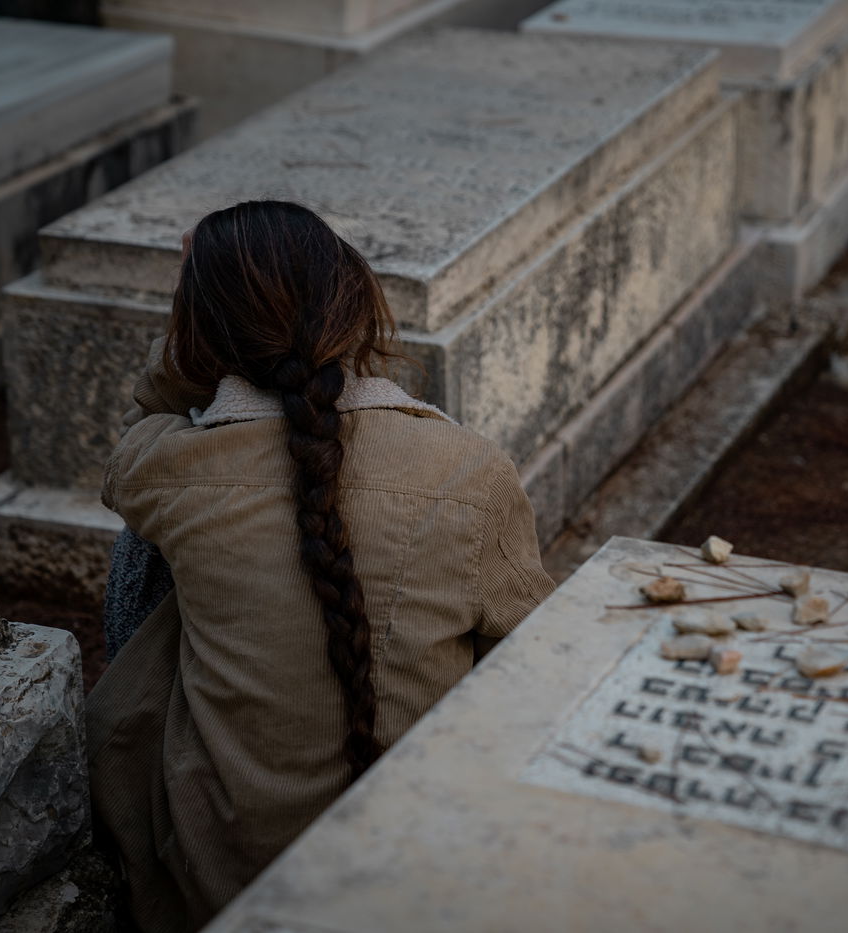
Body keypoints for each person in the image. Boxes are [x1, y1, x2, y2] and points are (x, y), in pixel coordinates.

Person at [86, 201, 554, 931]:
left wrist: (193, 316)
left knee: (141, 548)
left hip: (217, 881)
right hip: (421, 877)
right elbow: (534, 657)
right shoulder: (469, 470)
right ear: (357, 306)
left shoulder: (165, 468)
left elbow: (148, 414)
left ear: (197, 332)